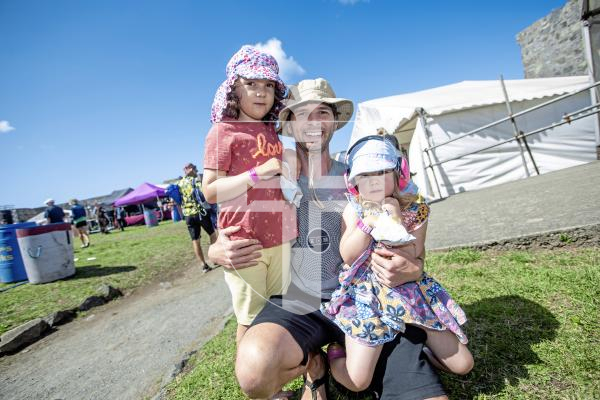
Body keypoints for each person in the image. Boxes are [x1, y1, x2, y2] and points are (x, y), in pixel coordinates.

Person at [208, 78, 449, 400]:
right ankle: (316, 368)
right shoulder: (267, 175)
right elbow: (226, 218)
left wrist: (414, 266)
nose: (314, 123)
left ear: (334, 121)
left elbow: (406, 223)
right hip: (297, 300)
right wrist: (215, 249)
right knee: (254, 373)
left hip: (364, 299)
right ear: (288, 125)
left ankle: (344, 353)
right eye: (302, 114)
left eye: (322, 112)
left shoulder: (360, 175)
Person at [320, 135, 474, 392]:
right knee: (358, 382)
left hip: (409, 291)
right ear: (353, 181)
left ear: (398, 173)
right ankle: (333, 359)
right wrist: (368, 221)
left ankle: (421, 343)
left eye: (381, 172)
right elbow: (347, 254)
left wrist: (395, 218)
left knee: (463, 364)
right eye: (365, 175)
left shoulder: (417, 209)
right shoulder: (354, 210)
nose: (374, 181)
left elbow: (414, 253)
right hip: (366, 296)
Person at [202, 45, 297, 345]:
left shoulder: (272, 132)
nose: (261, 92)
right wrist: (258, 173)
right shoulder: (222, 132)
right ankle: (257, 387)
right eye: (252, 84)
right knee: (251, 317)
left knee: (281, 310)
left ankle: (275, 368)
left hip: (281, 236)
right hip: (245, 243)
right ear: (233, 89)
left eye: (268, 85)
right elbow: (210, 191)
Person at [178, 162, 218, 273]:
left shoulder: (179, 183)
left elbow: (178, 200)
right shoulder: (197, 180)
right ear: (191, 169)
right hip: (200, 213)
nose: (196, 170)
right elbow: (205, 194)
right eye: (195, 168)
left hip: (188, 215)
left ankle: (203, 265)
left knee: (195, 241)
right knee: (213, 234)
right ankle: (214, 258)